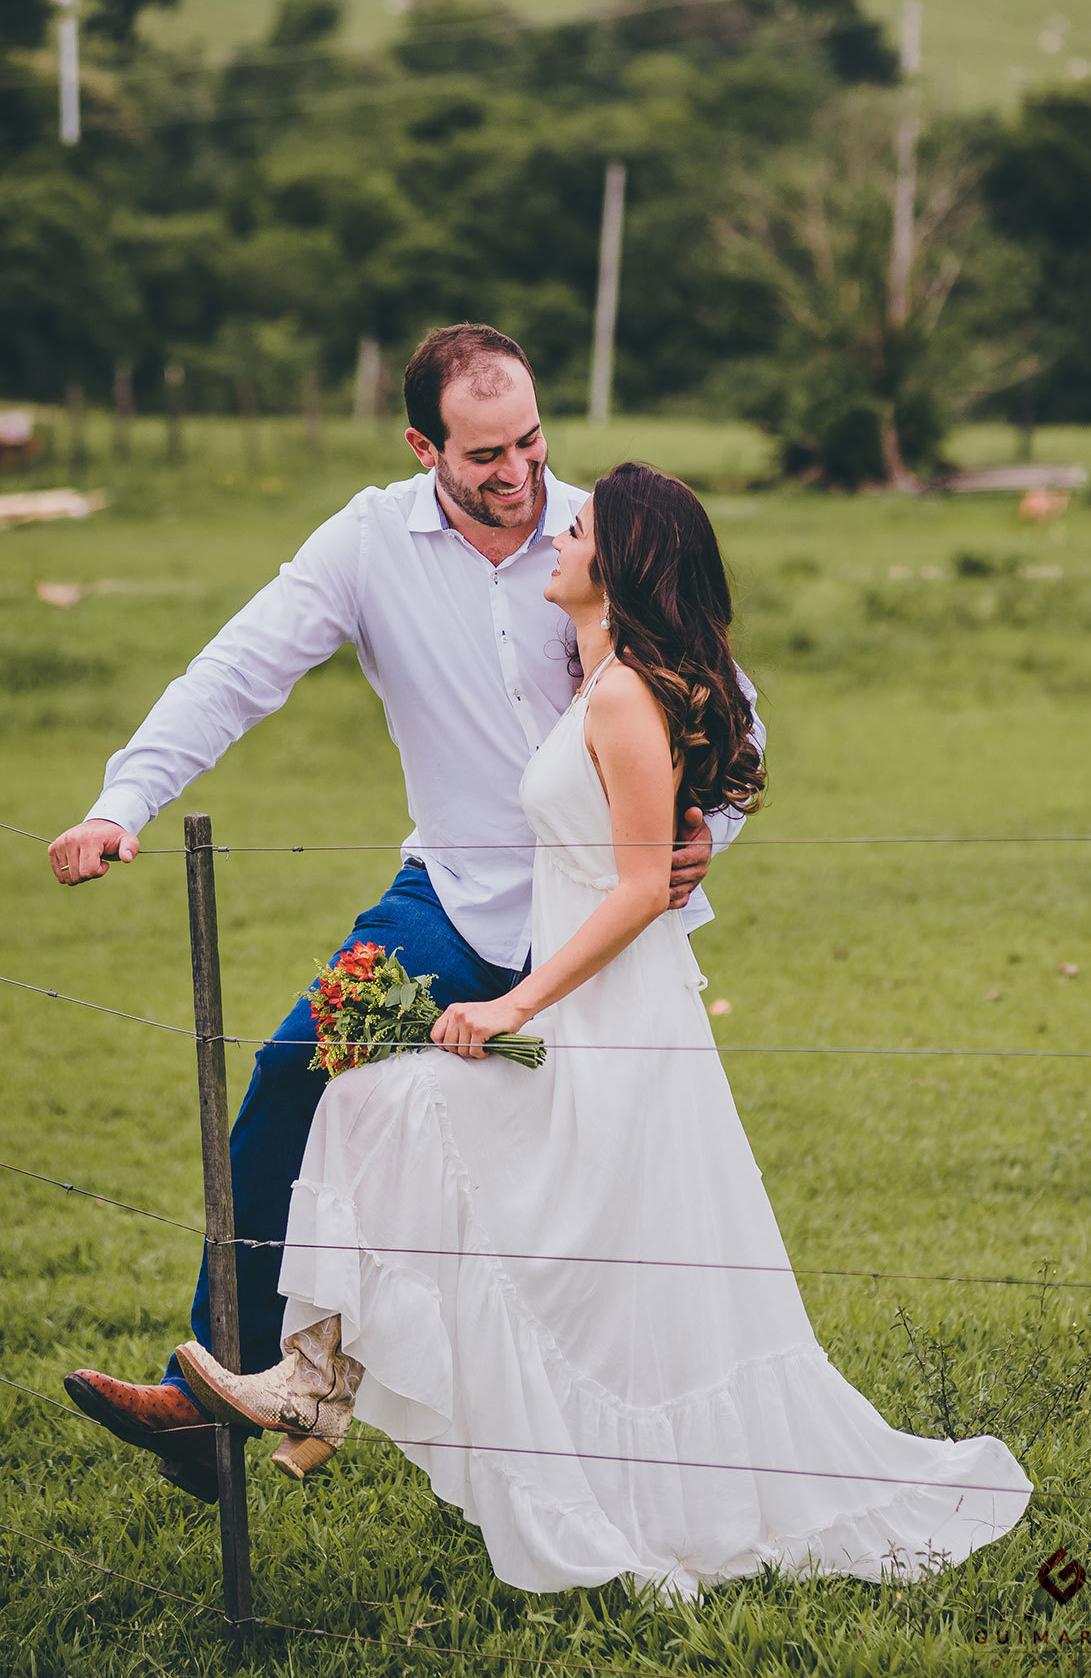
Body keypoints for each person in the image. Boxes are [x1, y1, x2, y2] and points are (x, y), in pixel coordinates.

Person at [174, 464, 1032, 1599]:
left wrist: (516, 1003)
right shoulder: (599, 676)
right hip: (589, 998)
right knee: (386, 1112)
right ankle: (316, 1381)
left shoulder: (625, 691)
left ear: (616, 566)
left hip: (605, 1011)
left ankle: (326, 1384)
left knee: (402, 1118)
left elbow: (634, 888)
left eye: (574, 527)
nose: (555, 532)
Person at [51, 325, 754, 1506]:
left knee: (602, 1192)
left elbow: (733, 712)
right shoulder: (368, 543)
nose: (519, 471)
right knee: (291, 1074)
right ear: (423, 442)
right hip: (450, 906)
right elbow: (236, 669)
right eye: (485, 451)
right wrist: (126, 798)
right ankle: (216, 1390)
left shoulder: (605, 537)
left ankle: (642, 1447)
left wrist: (700, 836)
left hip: (602, 919)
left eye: (532, 438)